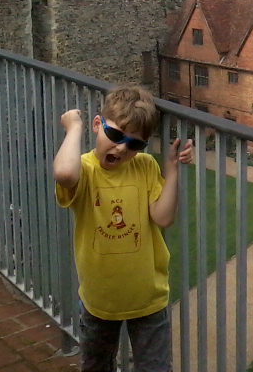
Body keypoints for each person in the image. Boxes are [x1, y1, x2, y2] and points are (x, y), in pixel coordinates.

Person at [54, 85, 193, 372]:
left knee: (154, 367)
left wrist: (172, 169)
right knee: (96, 365)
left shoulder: (143, 166)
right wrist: (74, 126)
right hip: (99, 298)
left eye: (134, 144)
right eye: (115, 135)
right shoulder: (85, 169)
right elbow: (65, 174)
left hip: (148, 296)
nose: (121, 148)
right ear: (97, 125)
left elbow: (163, 217)